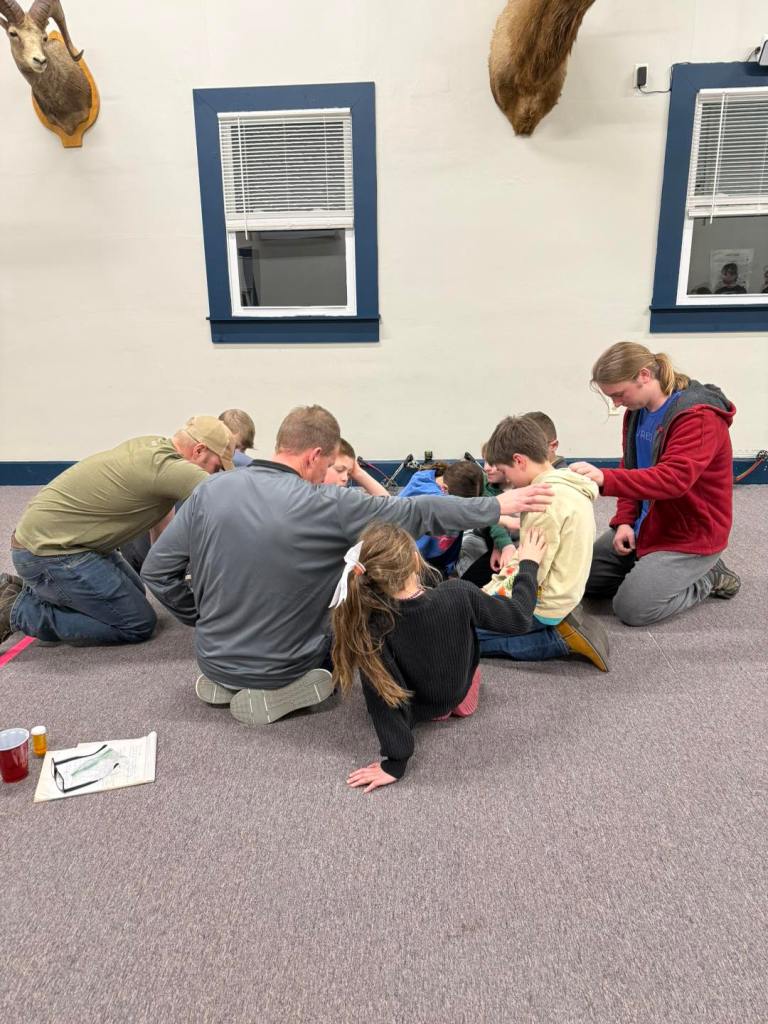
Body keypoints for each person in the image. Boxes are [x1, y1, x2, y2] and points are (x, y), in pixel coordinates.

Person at [141, 405, 555, 727]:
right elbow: (413, 512)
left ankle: (226, 680)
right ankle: (282, 693)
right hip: (283, 667)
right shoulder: (327, 504)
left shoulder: (210, 490)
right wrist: (495, 505)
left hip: (211, 658)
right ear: (314, 455)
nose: (325, 474)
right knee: (349, 634)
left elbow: (157, 572)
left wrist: (200, 615)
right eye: (327, 465)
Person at [331, 521, 547, 792]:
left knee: (383, 674)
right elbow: (519, 617)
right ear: (414, 558)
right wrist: (528, 564)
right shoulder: (460, 593)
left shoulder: (371, 627)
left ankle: (439, 711)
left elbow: (381, 700)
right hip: (460, 696)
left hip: (419, 709)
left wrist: (395, 762)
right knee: (471, 663)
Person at [0, 417, 234, 646]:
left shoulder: (152, 447)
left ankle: (25, 588)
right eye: (217, 466)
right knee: (136, 623)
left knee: (135, 594)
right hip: (49, 552)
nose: (215, 473)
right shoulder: (172, 469)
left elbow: (162, 527)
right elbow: (235, 503)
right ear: (200, 450)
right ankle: (15, 609)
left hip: (55, 539)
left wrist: (173, 570)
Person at [570, 342, 739, 627]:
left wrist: (604, 479)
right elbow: (632, 465)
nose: (616, 403)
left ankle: (709, 576)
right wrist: (624, 520)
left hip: (688, 535)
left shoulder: (699, 417)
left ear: (644, 375)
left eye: (619, 394)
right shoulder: (637, 412)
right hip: (647, 523)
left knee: (632, 609)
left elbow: (673, 480)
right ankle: (651, 569)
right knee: (578, 582)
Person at [477, 416, 608, 670]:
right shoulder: (566, 485)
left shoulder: (542, 501)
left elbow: (532, 573)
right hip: (567, 591)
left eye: (505, 472)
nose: (507, 481)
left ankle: (558, 640)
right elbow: (528, 556)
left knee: (467, 636)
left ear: (519, 460)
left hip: (544, 605)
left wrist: (491, 597)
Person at [398, 459, 485, 576]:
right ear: (445, 489)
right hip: (413, 562)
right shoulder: (427, 495)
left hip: (440, 560)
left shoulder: (449, 484)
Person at [324, 438, 389, 496]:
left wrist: (357, 472)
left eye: (349, 474)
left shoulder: (342, 499)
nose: (345, 478)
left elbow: (389, 506)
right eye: (339, 470)